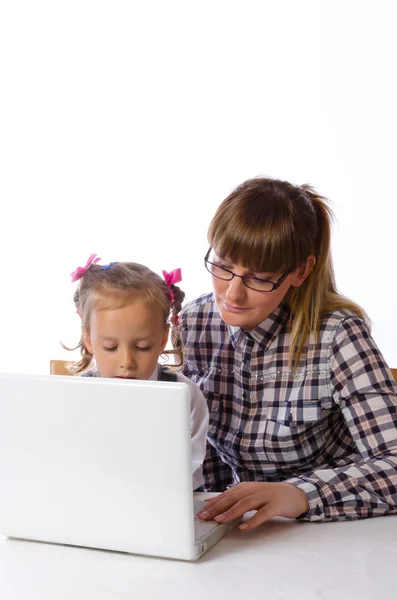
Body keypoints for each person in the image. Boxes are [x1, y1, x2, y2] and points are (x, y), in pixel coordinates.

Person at [180, 177, 397, 529]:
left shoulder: (337, 335)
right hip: (239, 531)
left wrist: (298, 494)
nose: (232, 294)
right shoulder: (193, 322)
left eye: (259, 277)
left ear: (301, 271)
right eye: (223, 266)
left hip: (329, 531)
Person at [66, 254, 209, 490]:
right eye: (110, 347)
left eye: (143, 347)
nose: (126, 362)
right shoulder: (75, 397)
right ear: (88, 339)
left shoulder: (185, 395)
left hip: (165, 502)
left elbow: (190, 470)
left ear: (163, 338)